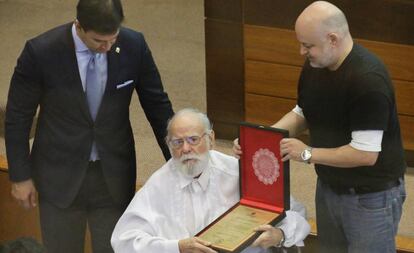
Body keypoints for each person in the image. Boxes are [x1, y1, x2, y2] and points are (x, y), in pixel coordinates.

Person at [234, 1, 406, 252]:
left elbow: (365, 154)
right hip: (329, 187)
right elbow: (303, 112)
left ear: (333, 39)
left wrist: (306, 153)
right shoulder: (316, 65)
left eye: (307, 45)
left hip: (370, 198)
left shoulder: (368, 81)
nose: (302, 52)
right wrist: (259, 139)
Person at [5, 0, 174, 252]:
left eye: (112, 39)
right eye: (98, 41)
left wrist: (178, 161)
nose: (107, 48)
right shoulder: (40, 52)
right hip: (59, 177)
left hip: (113, 176)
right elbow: (18, 116)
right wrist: (20, 176)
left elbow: (158, 106)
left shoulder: (133, 45)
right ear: (79, 26)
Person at [111, 108, 310, 253]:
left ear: (211, 139)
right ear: (168, 146)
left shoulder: (238, 172)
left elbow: (297, 215)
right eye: (177, 142)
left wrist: (280, 235)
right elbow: (123, 240)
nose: (186, 149)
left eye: (193, 139)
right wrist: (176, 248)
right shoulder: (158, 185)